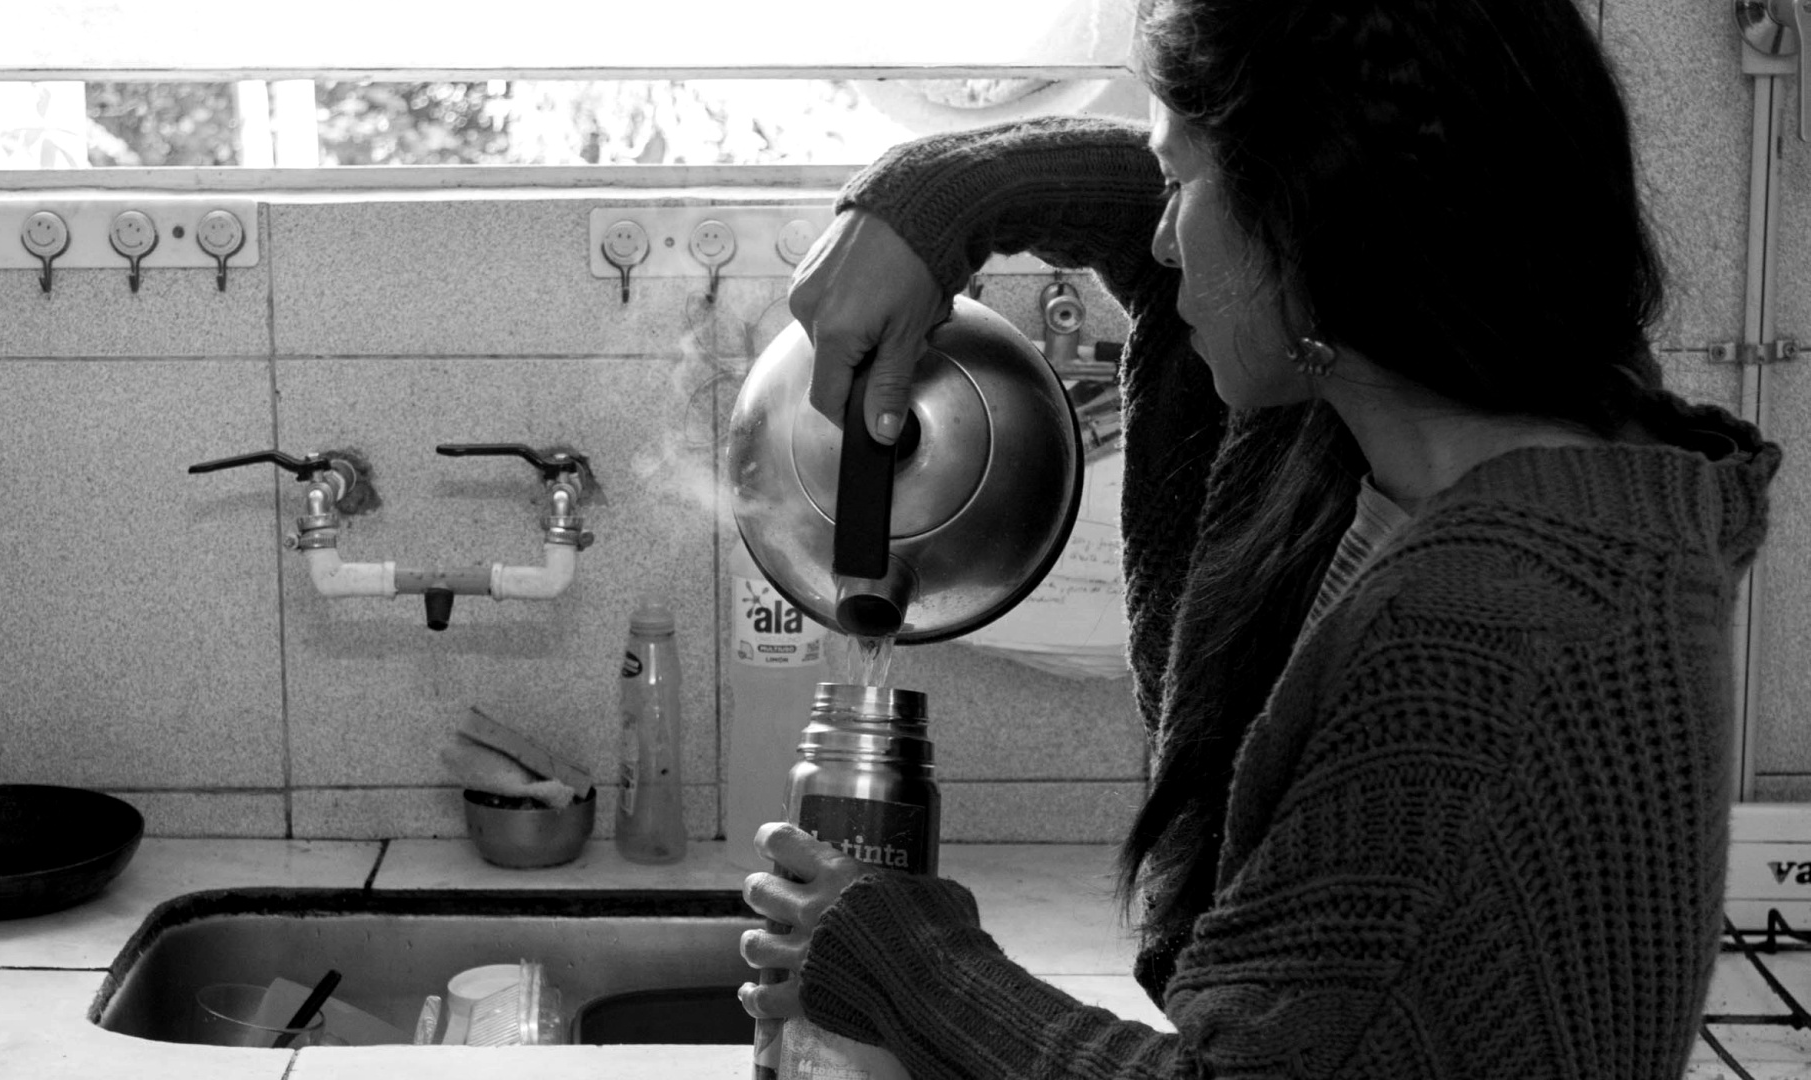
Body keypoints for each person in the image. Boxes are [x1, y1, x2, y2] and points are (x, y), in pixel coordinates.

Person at [736, 0, 1783, 1077]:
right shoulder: (1477, 434)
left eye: (1181, 183)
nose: (1159, 234)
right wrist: (942, 196)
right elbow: (1155, 228)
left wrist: (903, 958)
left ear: (1307, 213)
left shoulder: (1476, 640)